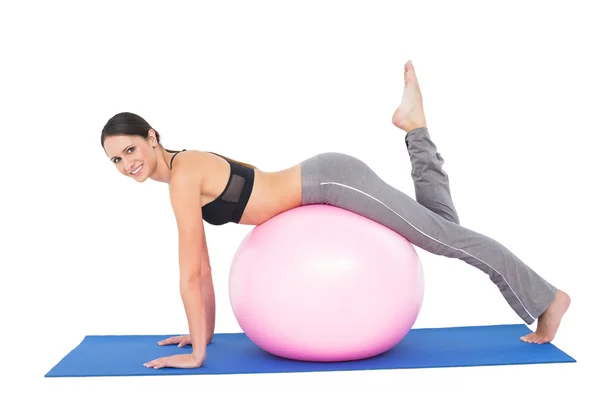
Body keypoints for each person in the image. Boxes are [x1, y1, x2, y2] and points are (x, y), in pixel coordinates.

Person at [101, 60, 570, 370]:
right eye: (116, 160)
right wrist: (198, 335)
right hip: (322, 181)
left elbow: (192, 271)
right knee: (441, 222)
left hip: (329, 180)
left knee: (446, 238)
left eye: (130, 149)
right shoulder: (181, 170)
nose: (128, 164)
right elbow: (199, 270)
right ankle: (415, 126)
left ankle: (548, 301)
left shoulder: (183, 177)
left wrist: (200, 353)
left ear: (152, 136)